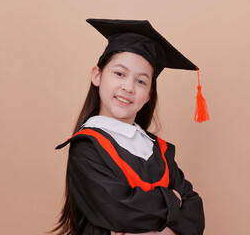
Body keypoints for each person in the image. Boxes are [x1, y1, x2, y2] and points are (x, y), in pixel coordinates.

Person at [52, 19, 207, 235]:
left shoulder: (158, 149)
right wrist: (174, 199)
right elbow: (119, 210)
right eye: (119, 74)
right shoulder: (87, 147)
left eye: (141, 81)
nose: (128, 87)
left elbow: (194, 210)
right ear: (97, 76)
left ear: (149, 95)